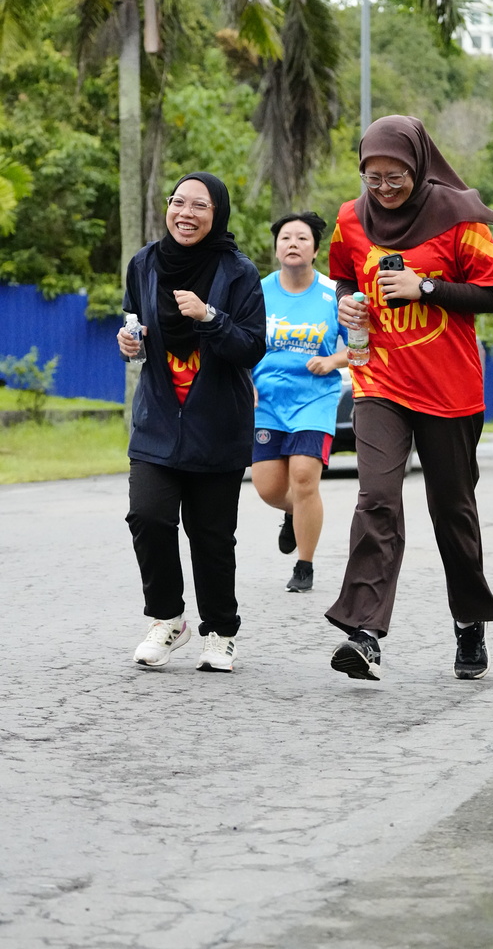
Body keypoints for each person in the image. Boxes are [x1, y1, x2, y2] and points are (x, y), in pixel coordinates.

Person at [324, 113, 493, 683]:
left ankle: (469, 621)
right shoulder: (350, 218)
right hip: (379, 380)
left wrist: (424, 287)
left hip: (449, 389)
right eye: (372, 176)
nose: (383, 188)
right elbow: (344, 277)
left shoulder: (459, 218)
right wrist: (346, 302)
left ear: (419, 165)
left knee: (452, 509)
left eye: (396, 176)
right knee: (377, 498)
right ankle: (364, 633)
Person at [117, 172, 266, 672]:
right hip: (157, 422)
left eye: (199, 205)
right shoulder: (144, 264)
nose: (185, 213)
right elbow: (135, 326)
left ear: (216, 214)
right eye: (178, 202)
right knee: (147, 517)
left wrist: (210, 318)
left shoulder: (238, 272)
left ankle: (221, 631)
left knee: (212, 537)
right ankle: (167, 618)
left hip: (217, 425)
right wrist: (129, 344)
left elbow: (252, 347)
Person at [251, 211, 348, 593]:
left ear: (316, 249)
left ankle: (304, 565)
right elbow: (238, 340)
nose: (293, 243)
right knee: (268, 488)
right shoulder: (257, 291)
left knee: (305, 478)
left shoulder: (332, 293)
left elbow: (362, 345)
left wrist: (333, 361)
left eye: (302, 238)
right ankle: (295, 513)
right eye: (286, 238)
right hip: (267, 400)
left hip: (315, 399)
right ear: (276, 249)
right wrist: (244, 381)